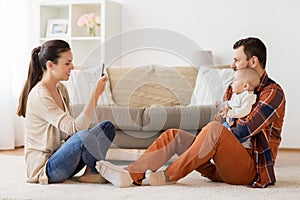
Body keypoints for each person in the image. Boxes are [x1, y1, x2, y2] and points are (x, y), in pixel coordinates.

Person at [96, 37, 286, 188]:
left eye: (237, 60)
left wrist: (219, 126)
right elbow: (221, 123)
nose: (232, 65)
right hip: (218, 163)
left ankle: (167, 175)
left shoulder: (272, 93)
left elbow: (243, 130)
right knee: (174, 135)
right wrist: (219, 124)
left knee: (212, 130)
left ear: (253, 61)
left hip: (249, 170)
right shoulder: (234, 87)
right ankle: (129, 174)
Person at [16, 39, 116, 184]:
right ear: (50, 65)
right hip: (46, 168)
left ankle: (90, 173)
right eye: (67, 63)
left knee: (107, 127)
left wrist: (72, 140)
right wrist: (95, 95)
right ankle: (96, 171)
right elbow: (78, 128)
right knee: (83, 136)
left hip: (62, 159)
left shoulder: (61, 89)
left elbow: (71, 131)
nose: (72, 67)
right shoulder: (40, 95)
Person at [216, 68, 260, 148]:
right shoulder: (237, 95)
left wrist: (229, 113)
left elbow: (245, 110)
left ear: (245, 86)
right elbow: (231, 103)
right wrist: (222, 105)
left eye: (235, 80)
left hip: (236, 128)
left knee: (226, 140)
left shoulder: (248, 96)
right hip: (229, 123)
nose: (232, 83)